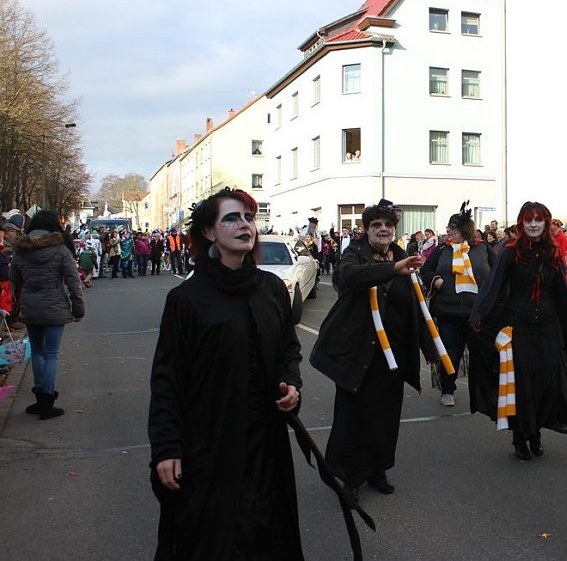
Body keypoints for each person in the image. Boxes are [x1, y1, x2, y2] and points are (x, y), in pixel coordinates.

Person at [148, 188, 308, 558]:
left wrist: (292, 384)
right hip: (210, 445)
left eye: (249, 218)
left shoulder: (270, 288)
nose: (244, 225)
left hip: (266, 445)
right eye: (231, 218)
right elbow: (167, 379)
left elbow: (288, 348)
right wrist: (167, 447)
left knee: (268, 535)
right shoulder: (187, 300)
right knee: (216, 538)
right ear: (209, 233)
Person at [310, 199, 435, 503]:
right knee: (352, 417)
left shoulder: (405, 256)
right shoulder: (355, 255)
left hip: (393, 355)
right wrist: (392, 269)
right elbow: (350, 278)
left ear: (395, 230)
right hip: (359, 351)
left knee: (386, 416)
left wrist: (429, 349)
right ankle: (350, 478)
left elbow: (416, 306)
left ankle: (378, 468)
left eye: (388, 225)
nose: (382, 229)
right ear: (366, 230)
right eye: (376, 225)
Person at [468, 201, 567, 460]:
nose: (533, 224)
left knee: (546, 384)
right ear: (521, 222)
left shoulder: (553, 253)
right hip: (518, 329)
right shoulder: (510, 253)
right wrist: (478, 316)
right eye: (528, 219)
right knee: (521, 384)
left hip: (549, 329)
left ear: (545, 223)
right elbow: (493, 287)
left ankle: (536, 432)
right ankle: (520, 435)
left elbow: (560, 293)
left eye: (538, 219)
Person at [10, 210, 85, 420]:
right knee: (51, 354)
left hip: (31, 305)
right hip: (55, 306)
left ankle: (39, 397)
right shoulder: (61, 249)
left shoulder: (21, 249)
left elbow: (14, 278)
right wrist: (78, 309)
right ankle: (47, 400)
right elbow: (73, 282)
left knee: (37, 351)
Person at [421, 202, 494, 407]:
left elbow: (498, 274)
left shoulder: (483, 249)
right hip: (448, 310)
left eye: (452, 229)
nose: (448, 232)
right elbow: (426, 270)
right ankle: (447, 389)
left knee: (481, 354)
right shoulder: (442, 249)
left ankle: (484, 393)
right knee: (450, 353)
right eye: (448, 228)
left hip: (477, 313)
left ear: (464, 231)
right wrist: (434, 279)